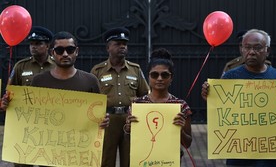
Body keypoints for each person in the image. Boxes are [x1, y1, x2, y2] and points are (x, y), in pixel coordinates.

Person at [2, 31, 109, 166]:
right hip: (49, 156)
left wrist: (104, 120)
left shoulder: (90, 81)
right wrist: (9, 105)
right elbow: (30, 115)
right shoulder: (39, 81)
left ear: (77, 51)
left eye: (70, 49)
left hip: (78, 155)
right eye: (59, 50)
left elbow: (99, 114)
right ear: (52, 52)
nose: (65, 54)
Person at [202, 29, 276, 166]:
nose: (251, 52)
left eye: (257, 47)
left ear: (267, 50)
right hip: (239, 155)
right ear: (241, 49)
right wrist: (210, 97)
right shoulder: (230, 77)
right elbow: (221, 112)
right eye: (247, 47)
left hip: (270, 156)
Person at [90, 27, 149, 167]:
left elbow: (145, 95)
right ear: (108, 47)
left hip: (130, 121)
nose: (122, 46)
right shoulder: (97, 71)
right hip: (107, 122)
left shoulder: (135, 69)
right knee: (106, 160)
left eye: (125, 44)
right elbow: (90, 99)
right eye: (117, 43)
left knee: (130, 160)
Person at [124, 48, 192, 158]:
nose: (159, 79)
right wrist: (128, 129)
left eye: (165, 75)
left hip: (169, 160)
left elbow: (187, 144)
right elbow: (129, 141)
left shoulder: (181, 105)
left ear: (171, 78)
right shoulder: (137, 104)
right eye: (154, 75)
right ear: (149, 77)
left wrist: (180, 130)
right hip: (144, 160)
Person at [3, 26, 54, 167]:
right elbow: (10, 92)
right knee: (23, 163)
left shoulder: (57, 66)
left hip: (51, 125)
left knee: (49, 162)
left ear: (48, 45)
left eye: (38, 44)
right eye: (31, 44)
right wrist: (6, 101)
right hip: (26, 124)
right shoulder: (21, 66)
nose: (33, 47)